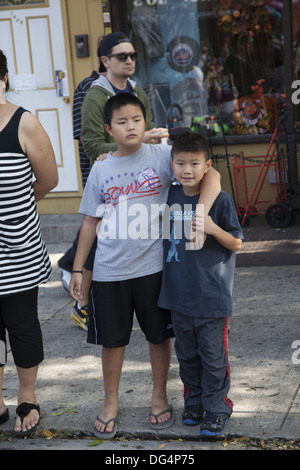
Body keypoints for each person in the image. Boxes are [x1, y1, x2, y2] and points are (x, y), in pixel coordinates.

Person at [69, 93, 221, 439]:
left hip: (154, 268)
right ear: (109, 129)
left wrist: (202, 211)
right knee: (113, 341)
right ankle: (110, 402)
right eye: (121, 122)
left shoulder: (163, 157)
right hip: (110, 271)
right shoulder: (102, 167)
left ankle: (158, 396)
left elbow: (210, 175)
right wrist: (79, 269)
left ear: (145, 120)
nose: (131, 127)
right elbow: (90, 222)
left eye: (136, 119)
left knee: (158, 337)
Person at [65, 31, 170, 331]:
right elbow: (92, 146)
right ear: (105, 61)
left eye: (133, 55)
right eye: (122, 56)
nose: (129, 60)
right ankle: (82, 302)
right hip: (107, 179)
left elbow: (147, 133)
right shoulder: (95, 93)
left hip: (143, 181)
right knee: (102, 239)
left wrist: (154, 140)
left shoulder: (138, 89)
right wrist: (136, 141)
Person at [158, 131, 243, 437]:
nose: (187, 170)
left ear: (207, 166)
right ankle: (193, 401)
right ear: (171, 165)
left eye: (194, 163)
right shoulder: (170, 195)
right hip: (178, 297)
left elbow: (236, 243)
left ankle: (218, 407)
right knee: (187, 354)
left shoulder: (220, 200)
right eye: (180, 163)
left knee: (213, 355)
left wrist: (212, 228)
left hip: (211, 298)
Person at [0, 50, 58, 437]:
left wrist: (16, 211)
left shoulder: (25, 123)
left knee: (21, 325)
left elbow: (48, 179)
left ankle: (27, 395)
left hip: (15, 247)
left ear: (2, 77)